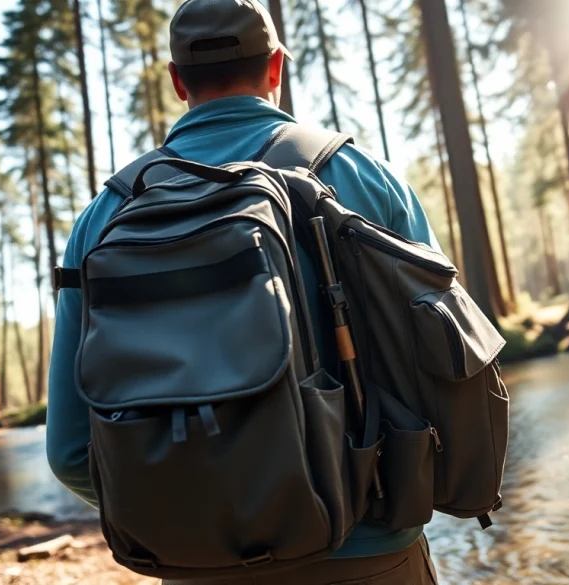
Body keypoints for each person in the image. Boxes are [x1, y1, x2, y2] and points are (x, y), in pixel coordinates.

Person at [45, 0, 442, 583]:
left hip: (196, 565)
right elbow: (446, 375)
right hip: (369, 554)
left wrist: (193, 516)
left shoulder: (104, 218)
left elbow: (69, 451)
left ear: (177, 80)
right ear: (276, 66)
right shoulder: (365, 178)